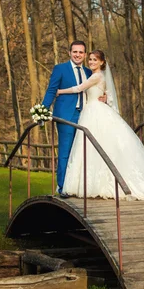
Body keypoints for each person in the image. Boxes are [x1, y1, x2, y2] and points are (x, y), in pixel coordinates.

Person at [58, 50, 144, 200]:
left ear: (102, 63)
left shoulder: (97, 76)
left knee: (95, 145)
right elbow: (108, 94)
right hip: (93, 110)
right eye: (90, 60)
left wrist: (60, 91)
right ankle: (93, 183)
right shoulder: (98, 76)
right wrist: (104, 97)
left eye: (95, 60)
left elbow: (78, 88)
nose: (91, 62)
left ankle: (97, 184)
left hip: (94, 112)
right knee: (96, 146)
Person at [41, 40, 92, 194]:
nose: (78, 55)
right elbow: (51, 90)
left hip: (85, 116)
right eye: (75, 51)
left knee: (81, 152)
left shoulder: (89, 73)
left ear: (84, 55)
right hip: (66, 116)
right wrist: (43, 110)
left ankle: (78, 186)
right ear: (70, 53)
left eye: (81, 52)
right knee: (65, 152)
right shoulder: (60, 69)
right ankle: (63, 186)